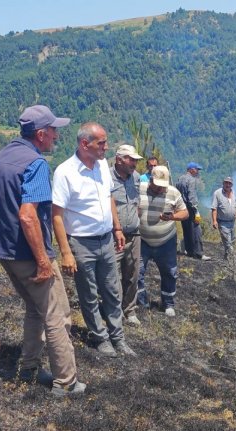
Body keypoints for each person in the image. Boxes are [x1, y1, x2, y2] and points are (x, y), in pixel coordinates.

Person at [0, 105, 85, 396]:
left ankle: (28, 368)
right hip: (30, 254)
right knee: (58, 315)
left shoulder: (1, 158)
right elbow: (28, 216)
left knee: (35, 310)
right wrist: (43, 261)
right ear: (40, 134)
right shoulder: (36, 164)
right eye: (53, 130)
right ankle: (66, 382)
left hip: (5, 252)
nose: (56, 135)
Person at [52, 123, 136, 357]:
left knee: (112, 290)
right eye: (101, 143)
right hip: (81, 242)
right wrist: (66, 251)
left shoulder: (101, 167)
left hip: (105, 239)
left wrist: (117, 228)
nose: (106, 148)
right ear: (84, 144)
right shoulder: (65, 172)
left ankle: (117, 337)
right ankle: (101, 338)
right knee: (88, 293)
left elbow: (109, 197)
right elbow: (56, 216)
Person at [136, 166, 188, 316]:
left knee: (170, 272)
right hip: (142, 239)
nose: (160, 189)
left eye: (162, 186)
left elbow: (184, 213)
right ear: (151, 180)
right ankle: (142, 301)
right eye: (158, 186)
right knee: (137, 271)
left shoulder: (172, 192)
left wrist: (172, 217)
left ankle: (168, 303)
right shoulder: (139, 188)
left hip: (166, 240)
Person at [111, 144, 143, 326]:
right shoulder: (106, 177)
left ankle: (129, 310)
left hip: (134, 234)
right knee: (113, 276)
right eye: (131, 160)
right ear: (119, 159)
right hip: (114, 236)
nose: (135, 163)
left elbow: (136, 203)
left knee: (133, 274)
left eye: (136, 160)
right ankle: (115, 311)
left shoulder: (136, 178)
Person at [175, 162, 210, 260]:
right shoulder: (191, 180)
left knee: (186, 229)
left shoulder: (180, 179)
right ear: (191, 169)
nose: (198, 172)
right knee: (196, 230)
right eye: (196, 169)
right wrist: (196, 211)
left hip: (181, 207)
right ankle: (199, 253)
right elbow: (191, 196)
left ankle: (189, 251)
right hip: (190, 208)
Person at [210, 176, 236, 259]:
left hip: (233, 222)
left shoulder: (234, 193)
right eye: (226, 183)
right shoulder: (217, 193)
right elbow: (214, 208)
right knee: (227, 243)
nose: (227, 185)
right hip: (223, 223)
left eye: (229, 183)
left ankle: (227, 260)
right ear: (223, 183)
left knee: (233, 241)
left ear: (232, 184)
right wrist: (214, 221)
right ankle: (234, 261)